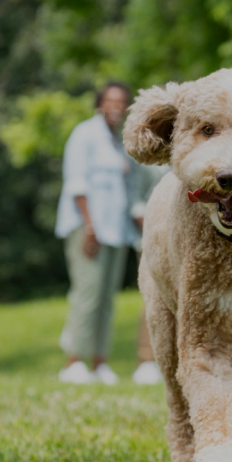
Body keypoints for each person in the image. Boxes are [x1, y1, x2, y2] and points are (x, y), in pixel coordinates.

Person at [55, 82, 136, 385]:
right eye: (111, 101)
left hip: (116, 231)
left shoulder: (118, 143)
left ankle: (99, 361)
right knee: (87, 295)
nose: (116, 106)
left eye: (121, 102)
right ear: (100, 103)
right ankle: (74, 361)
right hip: (88, 229)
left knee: (106, 299)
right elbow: (77, 184)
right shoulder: (84, 134)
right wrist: (89, 227)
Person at [128, 161, 169, 386]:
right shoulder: (144, 162)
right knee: (153, 298)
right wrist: (154, 224)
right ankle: (146, 360)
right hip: (151, 238)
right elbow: (134, 201)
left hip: (183, 240)